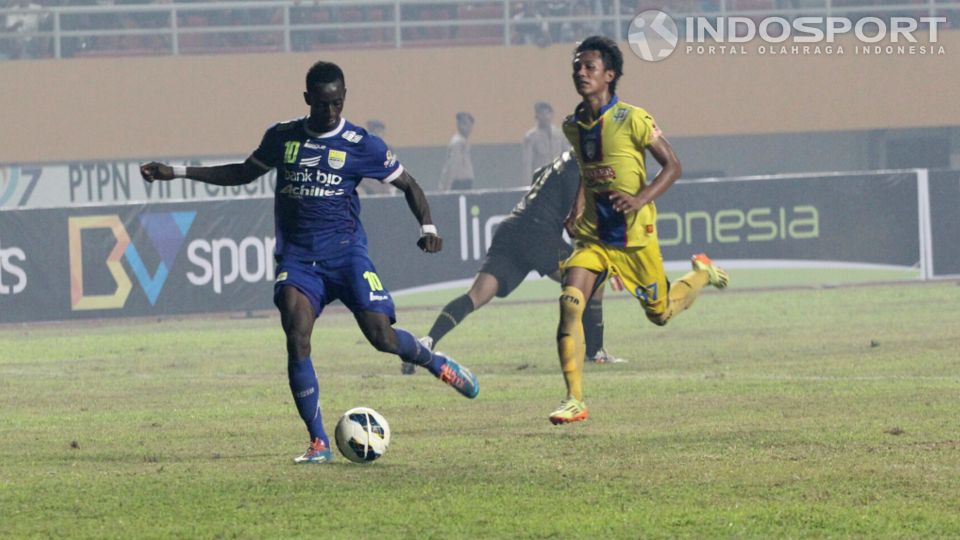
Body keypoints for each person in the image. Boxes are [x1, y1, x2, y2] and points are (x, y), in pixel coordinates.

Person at [139, 60, 479, 464]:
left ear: (344, 98)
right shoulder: (283, 137)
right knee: (296, 332)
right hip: (299, 259)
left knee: (381, 338)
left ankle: (434, 361)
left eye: (337, 103)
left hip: (347, 253)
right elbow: (242, 172)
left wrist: (427, 226)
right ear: (307, 100)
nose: (331, 112)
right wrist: (176, 172)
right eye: (322, 105)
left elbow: (409, 183)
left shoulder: (361, 143)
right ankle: (318, 442)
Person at [549, 36, 729, 425]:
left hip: (634, 239)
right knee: (570, 303)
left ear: (609, 75)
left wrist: (640, 198)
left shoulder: (633, 118)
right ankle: (574, 400)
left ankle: (701, 273)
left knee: (660, 314)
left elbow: (673, 166)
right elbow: (586, 168)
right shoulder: (573, 125)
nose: (580, 72)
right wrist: (577, 204)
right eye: (576, 66)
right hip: (594, 236)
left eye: (589, 67)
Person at [408, 151, 625, 375]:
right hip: (538, 233)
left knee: (476, 295)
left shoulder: (560, 160)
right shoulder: (579, 170)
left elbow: (536, 175)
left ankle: (427, 342)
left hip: (512, 227)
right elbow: (575, 220)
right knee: (594, 279)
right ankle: (595, 352)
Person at [522, 102, 569, 181]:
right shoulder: (531, 137)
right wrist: (528, 182)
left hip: (558, 176)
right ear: (536, 116)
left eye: (548, 113)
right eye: (542, 114)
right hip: (541, 179)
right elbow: (527, 163)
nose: (546, 117)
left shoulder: (559, 134)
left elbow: (568, 154)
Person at [439, 112, 475, 191]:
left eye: (467, 124)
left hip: (464, 182)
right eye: (462, 123)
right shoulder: (458, 142)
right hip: (459, 183)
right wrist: (447, 186)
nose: (464, 127)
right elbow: (453, 164)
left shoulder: (463, 141)